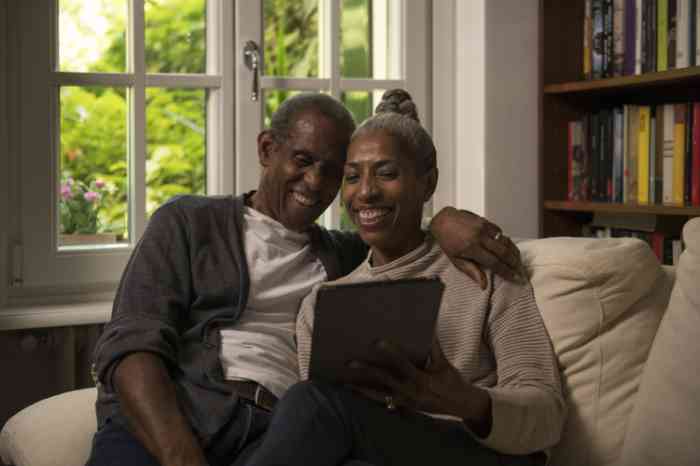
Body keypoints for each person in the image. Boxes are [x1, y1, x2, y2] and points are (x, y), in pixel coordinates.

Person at [87, 92, 524, 466]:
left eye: (334, 171)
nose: (315, 182)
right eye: (302, 160)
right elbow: (132, 348)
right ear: (266, 150)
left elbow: (401, 230)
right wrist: (182, 457)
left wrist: (445, 220)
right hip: (176, 418)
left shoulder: (343, 255)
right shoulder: (189, 223)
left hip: (277, 436)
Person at [240, 90, 566, 466]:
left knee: (310, 400)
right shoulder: (324, 304)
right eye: (351, 177)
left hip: (480, 453)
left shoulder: (484, 268)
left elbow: (548, 415)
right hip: (384, 450)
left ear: (428, 183)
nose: (366, 193)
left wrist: (463, 399)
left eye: (387, 173)